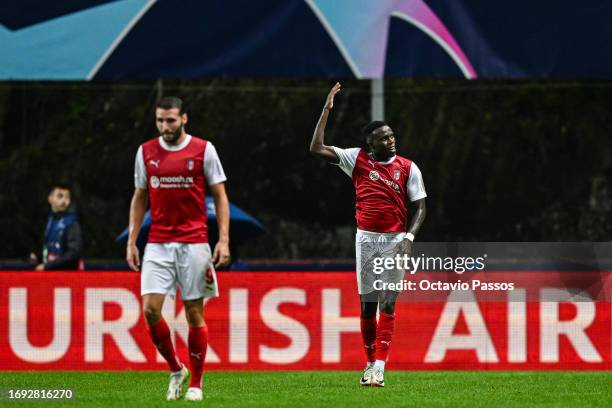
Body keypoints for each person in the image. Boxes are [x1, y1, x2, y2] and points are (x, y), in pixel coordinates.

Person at [309, 83, 427, 387]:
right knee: (368, 306)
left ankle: (379, 368)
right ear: (370, 145)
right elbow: (316, 148)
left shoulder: (408, 168)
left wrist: (409, 239)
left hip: (395, 241)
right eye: (383, 138)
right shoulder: (356, 159)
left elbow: (421, 208)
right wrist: (327, 108)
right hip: (366, 241)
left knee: (389, 302)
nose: (391, 141)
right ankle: (369, 362)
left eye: (391, 136)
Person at [126, 96, 231, 401]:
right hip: (157, 242)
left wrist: (222, 239)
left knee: (193, 312)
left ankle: (196, 384)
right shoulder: (146, 152)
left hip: (194, 242)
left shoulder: (203, 149)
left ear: (184, 119)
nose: (165, 126)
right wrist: (133, 240)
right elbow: (139, 197)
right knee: (150, 310)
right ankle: (176, 368)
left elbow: (220, 196)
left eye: (170, 120)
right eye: (160, 120)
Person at [31, 183, 84, 271]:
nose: (64, 201)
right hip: (52, 273)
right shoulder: (49, 220)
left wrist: (47, 266)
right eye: (60, 196)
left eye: (67, 197)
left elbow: (73, 253)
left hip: (68, 276)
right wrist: (37, 257)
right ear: (50, 198)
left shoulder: (72, 223)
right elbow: (48, 248)